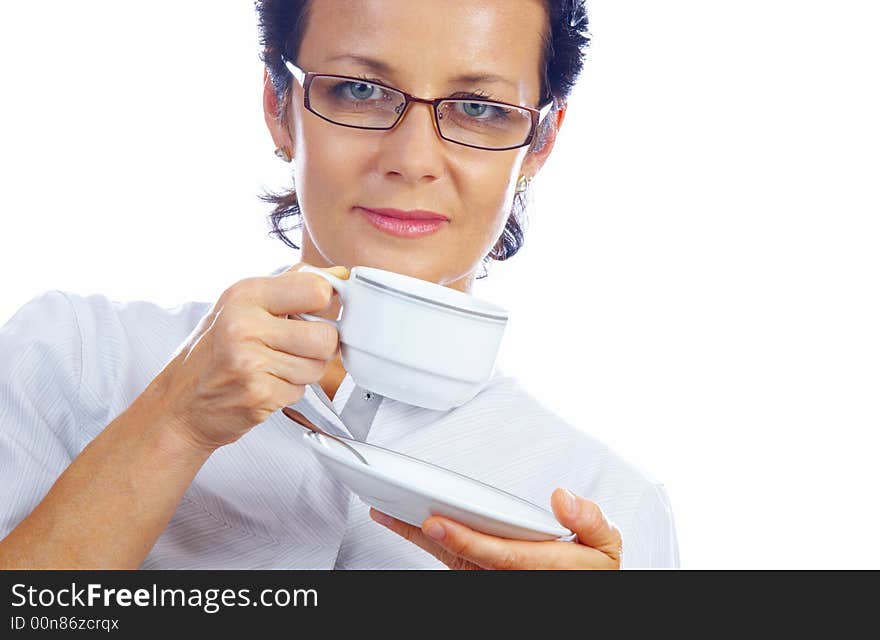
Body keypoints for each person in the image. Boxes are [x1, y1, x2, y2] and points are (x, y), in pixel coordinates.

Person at [0, 0, 679, 569]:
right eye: (359, 90)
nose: (412, 161)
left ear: (541, 142)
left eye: (479, 107)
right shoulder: (74, 357)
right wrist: (172, 424)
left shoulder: (607, 509)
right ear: (279, 104)